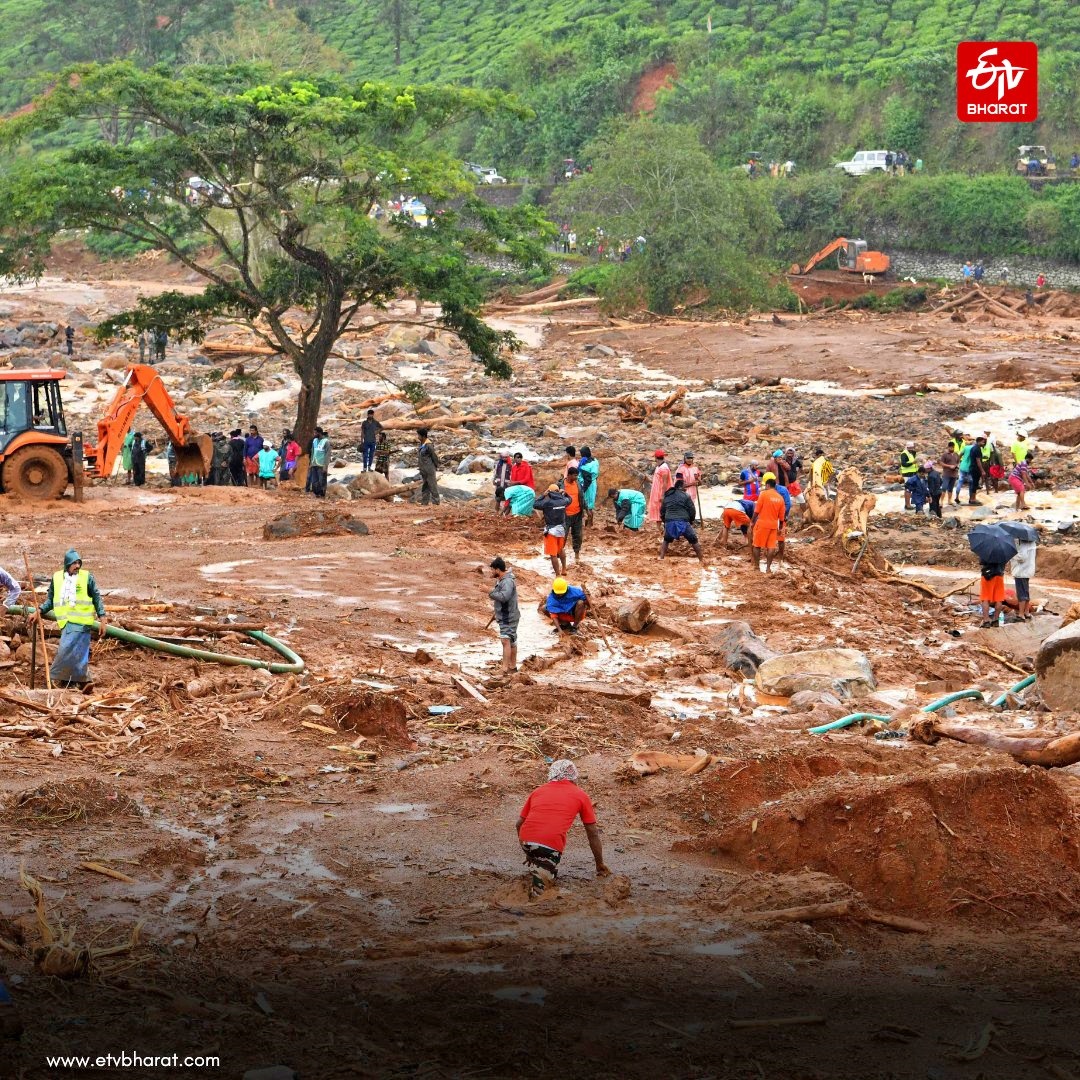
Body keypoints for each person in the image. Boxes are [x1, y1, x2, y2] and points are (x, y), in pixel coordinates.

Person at [516, 760, 609, 898]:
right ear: (574, 776)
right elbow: (592, 834)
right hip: (549, 846)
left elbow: (518, 824)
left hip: (526, 841)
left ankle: (541, 867)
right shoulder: (581, 795)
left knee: (541, 862)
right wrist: (600, 864)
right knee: (540, 895)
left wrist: (528, 852)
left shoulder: (538, 791)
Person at [31, 549, 107, 688]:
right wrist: (39, 610)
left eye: (79, 563)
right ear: (67, 564)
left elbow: (97, 597)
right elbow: (51, 600)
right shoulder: (57, 578)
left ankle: (61, 678)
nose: (77, 566)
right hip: (66, 623)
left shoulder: (86, 577)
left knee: (74, 653)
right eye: (74, 563)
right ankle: (76, 682)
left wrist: (103, 618)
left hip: (82, 624)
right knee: (72, 653)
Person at [660, 478, 704, 564]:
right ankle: (701, 560)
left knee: (666, 540)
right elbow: (692, 510)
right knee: (694, 540)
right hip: (683, 521)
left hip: (670, 521)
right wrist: (691, 520)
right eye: (685, 485)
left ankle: (661, 558)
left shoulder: (667, 495)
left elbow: (662, 511)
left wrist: (665, 522)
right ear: (680, 486)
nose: (686, 487)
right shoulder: (686, 496)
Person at [489, 557, 519, 674]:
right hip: (508, 614)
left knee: (505, 640)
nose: (491, 572)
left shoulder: (507, 582)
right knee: (512, 641)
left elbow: (504, 597)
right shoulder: (503, 580)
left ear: (498, 570)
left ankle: (504, 669)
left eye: (492, 570)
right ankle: (512, 667)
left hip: (508, 616)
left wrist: (489, 591)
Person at [751, 473, 786, 573]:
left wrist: (752, 522)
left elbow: (757, 511)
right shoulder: (780, 498)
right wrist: (780, 528)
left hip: (762, 524)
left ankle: (757, 567)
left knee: (757, 545)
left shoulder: (763, 494)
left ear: (767, 485)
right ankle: (768, 568)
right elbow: (782, 517)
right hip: (773, 525)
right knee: (771, 547)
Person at [535, 484, 571, 574]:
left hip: (551, 530)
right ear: (558, 491)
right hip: (562, 529)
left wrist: (543, 495)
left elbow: (535, 504)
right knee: (561, 549)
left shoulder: (547, 503)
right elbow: (570, 500)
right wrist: (565, 494)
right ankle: (564, 569)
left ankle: (558, 575)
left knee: (553, 554)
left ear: (549, 492)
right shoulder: (563, 501)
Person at [1010, 537, 1036, 621]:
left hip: (1021, 571)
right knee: (1026, 592)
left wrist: (1012, 554)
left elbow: (1022, 557)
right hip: (1027, 570)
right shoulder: (1032, 542)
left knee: (1021, 594)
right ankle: (1026, 612)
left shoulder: (1024, 544)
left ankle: (1021, 614)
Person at [563, 466, 585, 563]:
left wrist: (587, 509)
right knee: (563, 536)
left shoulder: (578, 484)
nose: (576, 477)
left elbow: (582, 498)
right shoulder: (561, 485)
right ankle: (560, 554)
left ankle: (577, 555)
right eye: (575, 475)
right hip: (565, 515)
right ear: (569, 475)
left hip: (577, 514)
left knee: (578, 535)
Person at [647, 450, 672, 533]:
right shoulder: (659, 467)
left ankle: (664, 530)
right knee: (658, 509)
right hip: (656, 491)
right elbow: (658, 480)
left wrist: (663, 495)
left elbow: (665, 482)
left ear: (656, 458)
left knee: (662, 510)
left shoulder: (664, 468)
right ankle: (660, 530)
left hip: (660, 492)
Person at [979, 559, 1006, 627]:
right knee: (999, 599)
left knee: (985, 598)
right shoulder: (1003, 550)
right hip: (999, 575)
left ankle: (986, 621)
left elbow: (982, 561)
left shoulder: (986, 549)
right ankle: (995, 620)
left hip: (987, 575)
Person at [416, 428, 440, 506]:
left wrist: (436, 466)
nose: (417, 437)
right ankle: (424, 502)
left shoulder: (428, 445)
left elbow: (434, 456)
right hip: (423, 469)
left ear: (423, 436)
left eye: (418, 435)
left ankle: (436, 503)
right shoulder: (421, 445)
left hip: (429, 468)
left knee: (432, 486)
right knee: (425, 486)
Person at [577, 446, 600, 527]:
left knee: (587, 505)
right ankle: (590, 522)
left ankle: (589, 524)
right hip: (593, 484)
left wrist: (583, 490)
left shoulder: (586, 467)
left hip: (588, 487)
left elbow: (587, 480)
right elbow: (595, 476)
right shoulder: (595, 461)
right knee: (590, 505)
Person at [308, 427, 330, 497]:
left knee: (322, 480)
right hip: (314, 464)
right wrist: (311, 463)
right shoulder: (314, 441)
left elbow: (327, 454)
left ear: (319, 433)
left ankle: (322, 494)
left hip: (321, 464)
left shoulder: (326, 441)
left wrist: (325, 466)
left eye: (315, 433)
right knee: (314, 481)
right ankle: (316, 493)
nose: (314, 434)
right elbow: (313, 452)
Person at [899, 441, 918, 509]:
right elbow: (903, 464)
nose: (911, 449)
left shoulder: (913, 453)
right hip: (907, 474)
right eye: (909, 448)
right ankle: (907, 505)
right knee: (908, 489)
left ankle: (912, 502)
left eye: (912, 447)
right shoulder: (904, 454)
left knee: (914, 488)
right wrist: (912, 462)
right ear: (907, 447)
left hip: (913, 473)